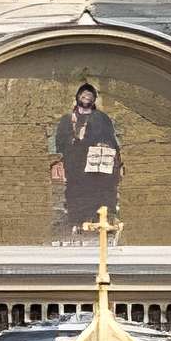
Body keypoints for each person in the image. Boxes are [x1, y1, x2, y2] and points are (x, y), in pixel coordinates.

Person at [50, 83, 122, 242]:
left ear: (94, 99)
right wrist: (75, 140)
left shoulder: (101, 118)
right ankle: (77, 222)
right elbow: (60, 142)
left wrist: (104, 145)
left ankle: (99, 222)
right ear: (78, 97)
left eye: (89, 97)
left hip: (97, 165)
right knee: (76, 192)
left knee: (99, 191)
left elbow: (111, 139)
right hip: (76, 163)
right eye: (83, 96)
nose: (86, 99)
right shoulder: (68, 119)